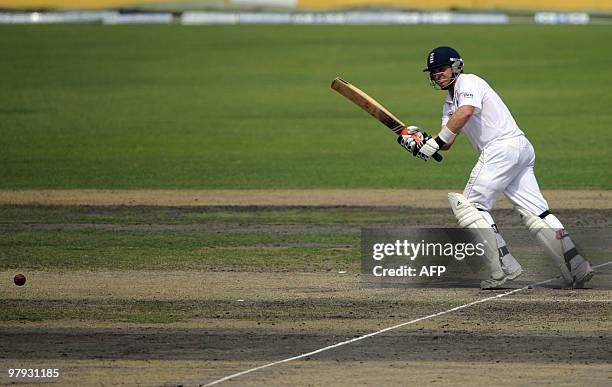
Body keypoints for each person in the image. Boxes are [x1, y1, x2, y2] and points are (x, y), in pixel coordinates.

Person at [399, 46, 594, 289]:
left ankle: (503, 267)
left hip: (501, 149)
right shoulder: (449, 103)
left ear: (456, 66)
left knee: (470, 206)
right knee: (537, 212)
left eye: (442, 69)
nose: (437, 74)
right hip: (518, 149)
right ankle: (576, 266)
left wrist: (435, 143)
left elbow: (466, 112)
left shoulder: (468, 82)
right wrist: (423, 142)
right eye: (433, 72)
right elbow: (447, 142)